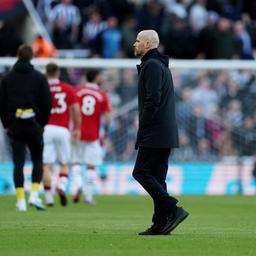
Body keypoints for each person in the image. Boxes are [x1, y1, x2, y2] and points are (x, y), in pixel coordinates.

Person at [132, 30, 189, 235]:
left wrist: (143, 125)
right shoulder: (160, 65)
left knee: (140, 172)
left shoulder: (152, 66)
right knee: (158, 176)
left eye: (138, 41)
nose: (134, 44)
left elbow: (153, 99)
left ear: (148, 44)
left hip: (155, 131)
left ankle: (173, 209)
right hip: (164, 131)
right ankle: (160, 222)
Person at [0, 44, 52, 211]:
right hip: (34, 125)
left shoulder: (7, 78)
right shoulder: (39, 78)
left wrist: (7, 123)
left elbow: (1, 104)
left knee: (18, 163)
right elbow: (47, 103)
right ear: (31, 57)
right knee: (37, 160)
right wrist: (41, 123)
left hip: (15, 125)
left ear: (17, 55)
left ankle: (21, 200)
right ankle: (35, 195)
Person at [43, 62, 81, 206]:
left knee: (46, 165)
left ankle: (48, 197)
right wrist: (77, 128)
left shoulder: (43, 88)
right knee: (64, 162)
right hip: (63, 130)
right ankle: (61, 185)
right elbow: (76, 110)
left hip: (47, 129)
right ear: (58, 73)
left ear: (46, 73)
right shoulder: (67, 89)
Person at [71, 69, 111, 205]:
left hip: (77, 132)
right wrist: (105, 132)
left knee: (76, 162)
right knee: (91, 166)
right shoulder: (101, 95)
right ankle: (88, 197)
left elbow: (72, 109)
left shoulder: (77, 91)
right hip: (93, 134)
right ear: (97, 78)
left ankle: (78, 185)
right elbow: (107, 117)